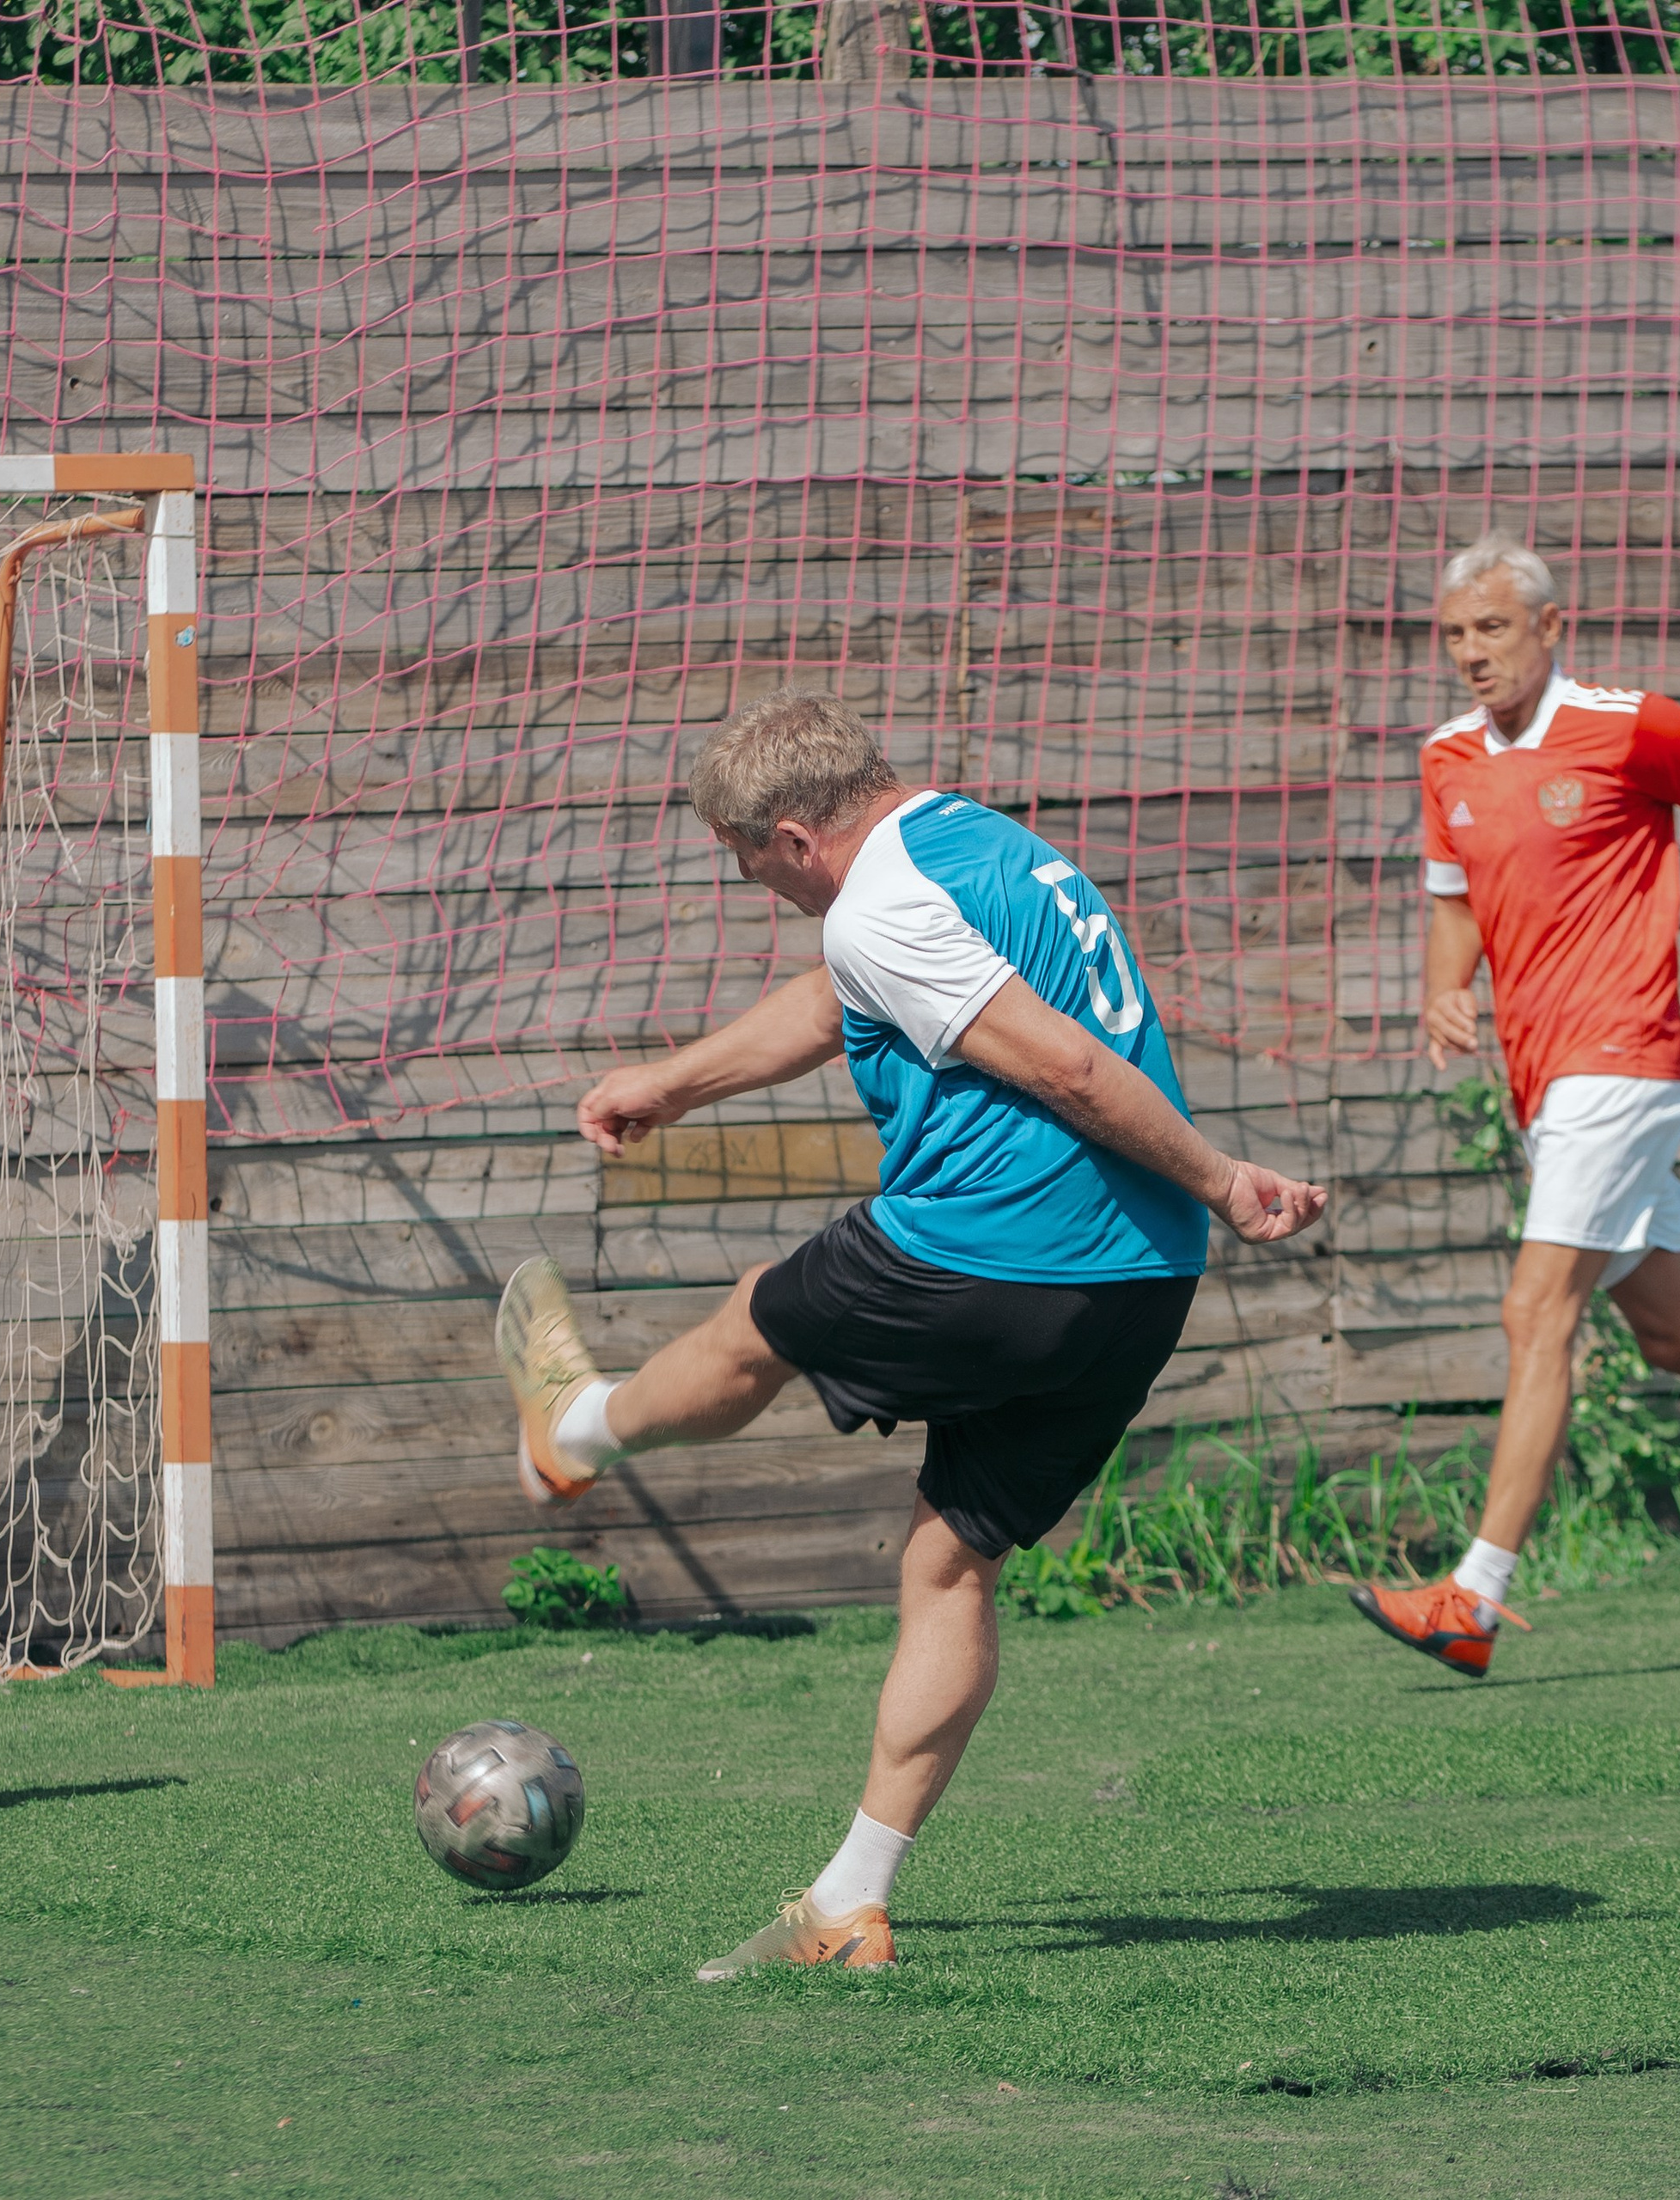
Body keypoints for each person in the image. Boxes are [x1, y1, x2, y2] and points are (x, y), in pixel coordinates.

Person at [493, 691, 1327, 1977]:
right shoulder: (980, 848)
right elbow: (843, 1002)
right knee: (949, 1563)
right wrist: (670, 1082)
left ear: (792, 841)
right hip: (1138, 1284)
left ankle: (578, 1428)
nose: (754, 886)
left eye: (745, 865)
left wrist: (1227, 1175)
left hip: (995, 1253)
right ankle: (848, 1906)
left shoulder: (880, 904)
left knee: (764, 1317)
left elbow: (1072, 1072)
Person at [1350, 535, 1680, 1678]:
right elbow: (1457, 899)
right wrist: (1446, 990)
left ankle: (1472, 1598)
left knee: (1535, 1314)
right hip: (1546, 1076)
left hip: (1628, 1054)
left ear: (1550, 626)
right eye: (1453, 633)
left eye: (1492, 629)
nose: (1470, 653)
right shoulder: (1447, 758)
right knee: (1667, 1331)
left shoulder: (1627, 722)